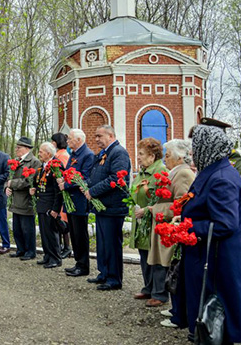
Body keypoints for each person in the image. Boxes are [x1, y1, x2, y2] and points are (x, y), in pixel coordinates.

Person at [180, 125, 241, 343]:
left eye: (196, 148)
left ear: (207, 148)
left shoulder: (221, 178)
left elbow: (225, 223)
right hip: (212, 255)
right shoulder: (215, 171)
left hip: (219, 258)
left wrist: (187, 228)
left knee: (218, 312)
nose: (193, 154)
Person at [147, 140, 195, 326]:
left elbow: (180, 204)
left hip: (172, 228)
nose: (165, 159)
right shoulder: (175, 172)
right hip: (166, 226)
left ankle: (178, 312)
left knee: (173, 269)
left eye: (168, 156)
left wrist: (155, 208)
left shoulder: (183, 174)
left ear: (179, 158)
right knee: (170, 269)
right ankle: (176, 309)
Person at [84, 125, 131, 291]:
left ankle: (114, 278)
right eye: (96, 136)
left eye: (99, 136)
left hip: (113, 206)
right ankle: (103, 273)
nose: (96, 139)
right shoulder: (104, 153)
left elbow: (116, 178)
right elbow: (96, 175)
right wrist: (86, 185)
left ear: (111, 135)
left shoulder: (118, 152)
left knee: (111, 244)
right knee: (103, 243)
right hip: (102, 206)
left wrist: (92, 191)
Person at [129, 138, 168, 306]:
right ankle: (148, 287)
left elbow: (164, 198)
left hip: (154, 221)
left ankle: (159, 293)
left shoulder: (161, 173)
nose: (138, 157)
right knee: (144, 255)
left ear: (152, 157)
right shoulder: (143, 172)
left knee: (156, 257)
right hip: (141, 220)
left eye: (141, 154)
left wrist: (147, 210)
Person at [58, 129, 95, 277]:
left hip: (79, 200)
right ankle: (78, 263)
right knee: (74, 233)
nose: (67, 142)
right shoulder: (73, 154)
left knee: (80, 234)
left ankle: (83, 266)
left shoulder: (88, 155)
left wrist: (65, 185)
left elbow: (85, 177)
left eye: (70, 139)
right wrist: (62, 180)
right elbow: (68, 172)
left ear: (79, 140)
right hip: (71, 200)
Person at [6, 136, 41, 260]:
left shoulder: (34, 162)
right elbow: (8, 178)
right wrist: (7, 187)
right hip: (15, 200)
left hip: (26, 200)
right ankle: (20, 249)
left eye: (19, 147)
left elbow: (28, 181)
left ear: (27, 148)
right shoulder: (15, 161)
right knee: (17, 229)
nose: (16, 149)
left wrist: (12, 184)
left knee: (27, 229)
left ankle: (30, 251)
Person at [30, 142, 63, 268]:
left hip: (50, 205)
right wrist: (34, 189)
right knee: (44, 233)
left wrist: (56, 209)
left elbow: (58, 190)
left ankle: (55, 258)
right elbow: (38, 182)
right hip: (42, 204)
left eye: (41, 152)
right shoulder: (43, 166)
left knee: (51, 233)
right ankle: (47, 255)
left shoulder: (56, 165)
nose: (39, 154)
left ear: (49, 153)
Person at [52, 132, 72, 259]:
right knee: (59, 220)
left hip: (62, 191)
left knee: (63, 221)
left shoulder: (63, 156)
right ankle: (59, 246)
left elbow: (64, 172)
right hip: (58, 190)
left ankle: (67, 247)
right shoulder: (59, 154)